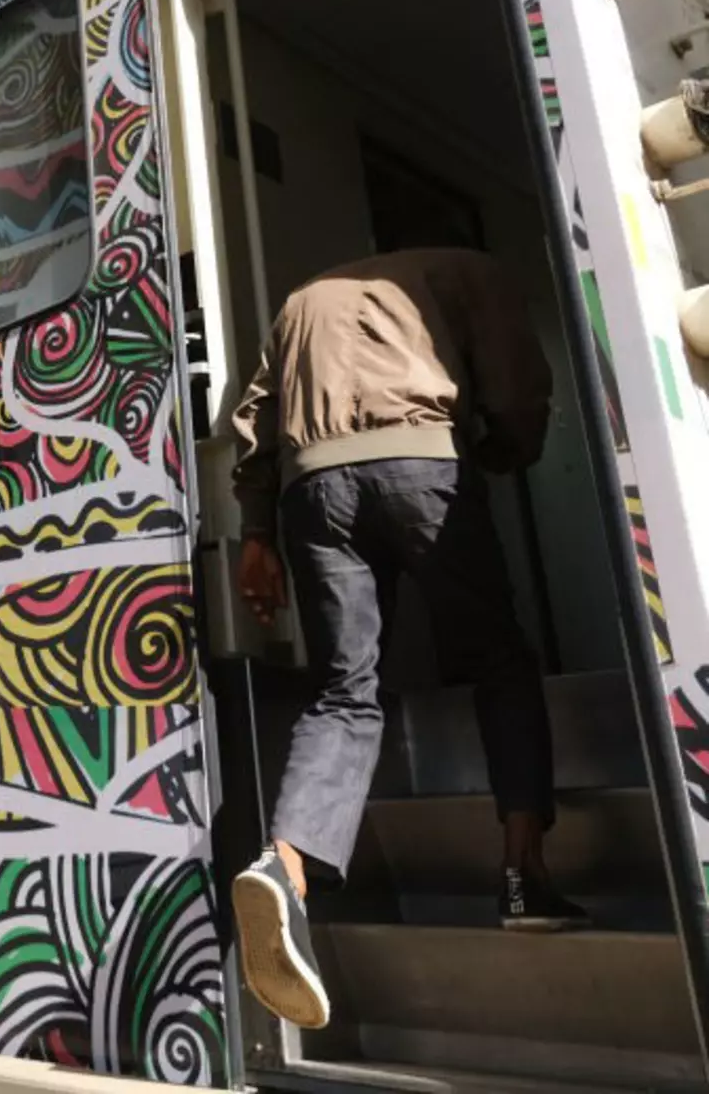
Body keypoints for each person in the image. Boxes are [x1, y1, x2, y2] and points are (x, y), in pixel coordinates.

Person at [227, 247, 582, 1031]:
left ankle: (281, 869)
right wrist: (503, 453)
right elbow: (517, 386)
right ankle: (523, 874)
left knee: (344, 689)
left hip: (311, 488)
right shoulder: (467, 269)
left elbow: (252, 422)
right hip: (421, 464)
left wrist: (256, 532)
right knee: (498, 658)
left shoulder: (298, 300)